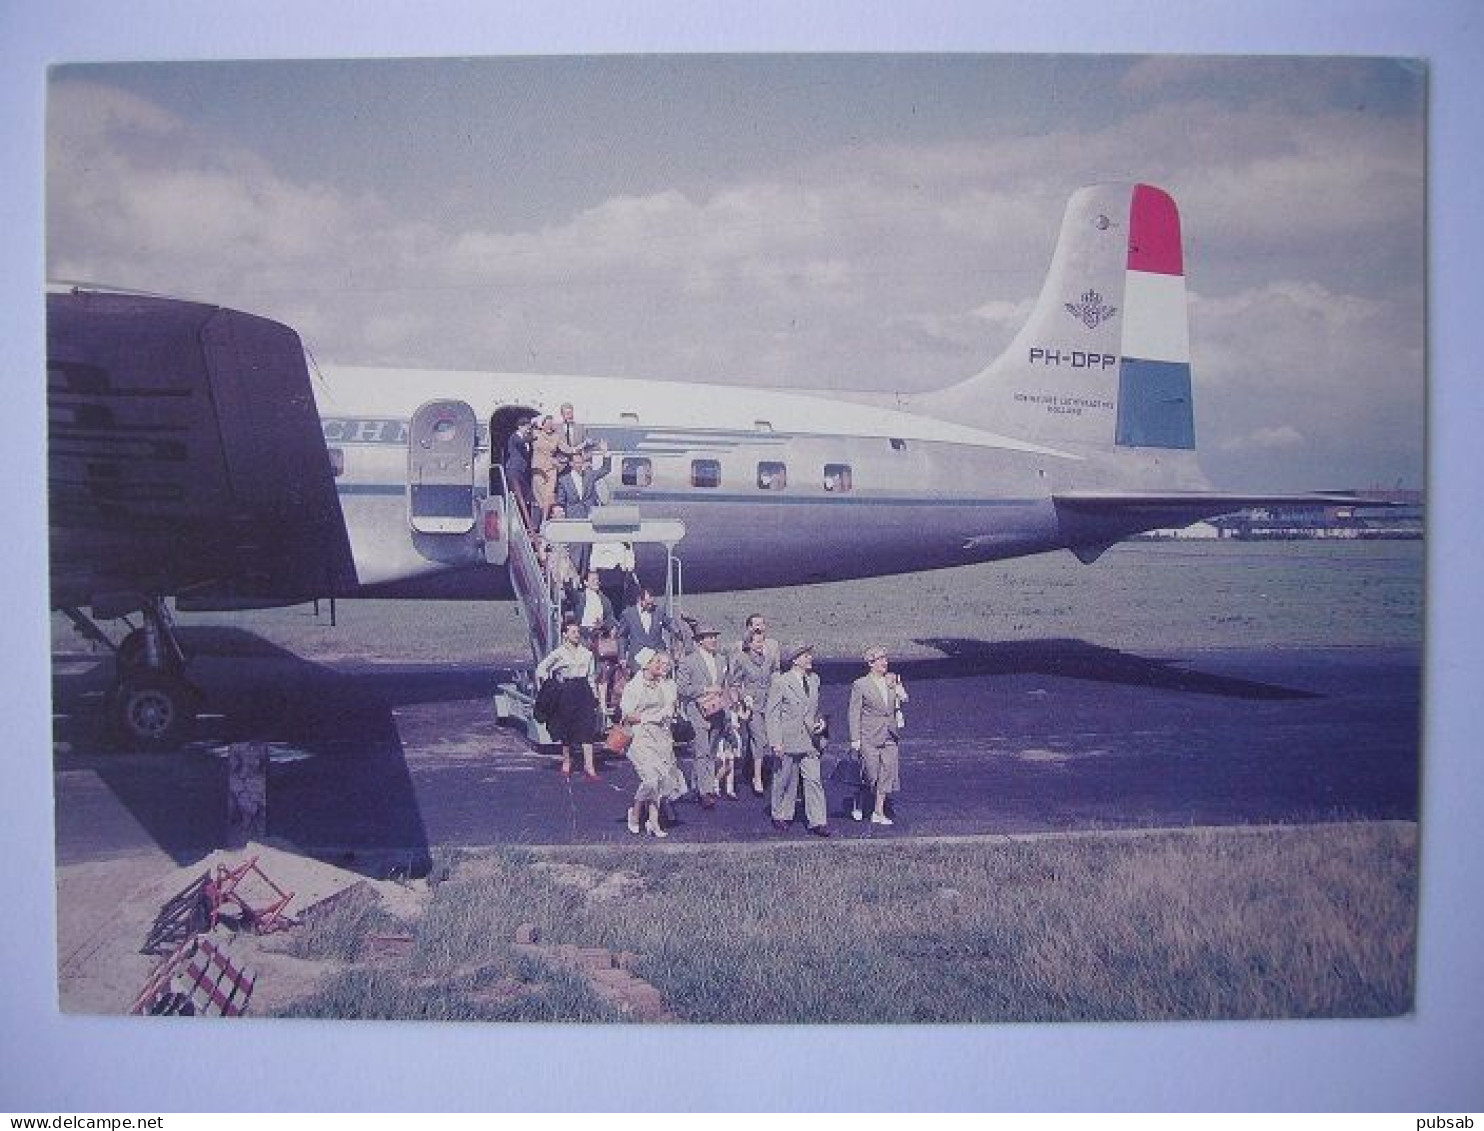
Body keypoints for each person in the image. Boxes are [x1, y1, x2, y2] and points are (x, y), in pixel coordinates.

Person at [618, 648, 688, 838]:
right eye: (656, 661)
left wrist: (665, 715)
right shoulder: (634, 686)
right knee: (650, 779)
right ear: (646, 665)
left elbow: (669, 707)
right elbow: (628, 715)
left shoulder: (661, 685)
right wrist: (651, 717)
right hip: (641, 738)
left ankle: (654, 822)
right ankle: (635, 812)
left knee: (660, 781)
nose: (661, 665)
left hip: (660, 737)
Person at [766, 642, 830, 836]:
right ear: (794, 660)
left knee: (814, 780)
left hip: (810, 741)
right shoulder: (781, 682)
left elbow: (815, 709)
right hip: (787, 739)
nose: (809, 658)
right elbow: (772, 714)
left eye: (809, 655)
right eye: (805, 655)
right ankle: (781, 815)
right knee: (785, 779)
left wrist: (821, 724)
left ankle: (818, 821)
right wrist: (776, 741)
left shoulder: (814, 680)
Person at [534, 616, 602, 780]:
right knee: (567, 728)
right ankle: (567, 761)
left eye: (578, 631)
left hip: (583, 691)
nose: (576, 634)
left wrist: (595, 696)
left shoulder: (587, 654)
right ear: (565, 634)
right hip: (566, 692)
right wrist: (552, 683)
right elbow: (541, 669)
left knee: (586, 728)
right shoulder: (558, 653)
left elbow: (591, 677)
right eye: (573, 632)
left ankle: (589, 766)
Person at [848, 644, 908, 826]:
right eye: (880, 659)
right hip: (869, 736)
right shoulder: (860, 685)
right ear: (870, 663)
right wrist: (855, 739)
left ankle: (878, 812)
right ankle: (859, 797)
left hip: (890, 734)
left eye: (885, 658)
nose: (884, 662)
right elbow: (854, 712)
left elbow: (904, 698)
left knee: (887, 773)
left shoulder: (891, 680)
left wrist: (899, 690)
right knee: (871, 774)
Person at [674, 622, 733, 809]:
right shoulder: (688, 661)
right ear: (699, 641)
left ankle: (696, 785)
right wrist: (706, 689)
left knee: (711, 750)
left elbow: (726, 685)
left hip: (717, 711)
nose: (714, 640)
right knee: (703, 750)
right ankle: (706, 792)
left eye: (715, 636)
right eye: (709, 637)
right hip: (698, 711)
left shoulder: (722, 660)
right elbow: (682, 688)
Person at [729, 626, 776, 796]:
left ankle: (764, 771)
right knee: (759, 738)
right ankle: (757, 777)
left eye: (762, 641)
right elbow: (734, 683)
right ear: (748, 643)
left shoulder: (768, 658)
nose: (760, 644)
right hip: (752, 705)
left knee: (768, 738)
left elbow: (773, 677)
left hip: (768, 702)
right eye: (757, 641)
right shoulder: (741, 659)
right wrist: (743, 698)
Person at [555, 443, 612, 576]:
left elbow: (606, 469)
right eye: (577, 463)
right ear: (571, 464)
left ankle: (584, 577)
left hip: (588, 516)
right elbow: (561, 501)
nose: (579, 465)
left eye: (581, 462)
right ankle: (574, 578)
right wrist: (559, 512)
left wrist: (606, 454)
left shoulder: (589, 475)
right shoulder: (564, 480)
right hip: (573, 517)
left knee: (587, 548)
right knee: (575, 548)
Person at [617, 587, 679, 671]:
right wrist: (622, 656)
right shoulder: (628, 614)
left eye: (652, 603)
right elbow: (622, 636)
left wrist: (679, 627)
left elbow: (671, 626)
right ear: (639, 600)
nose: (650, 606)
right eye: (648, 603)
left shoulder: (659, 611)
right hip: (638, 657)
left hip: (657, 656)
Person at [530, 414, 562, 525]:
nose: (549, 425)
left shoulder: (556, 436)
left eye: (551, 423)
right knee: (539, 498)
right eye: (547, 423)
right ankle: (537, 524)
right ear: (542, 425)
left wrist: (582, 446)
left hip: (551, 469)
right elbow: (528, 427)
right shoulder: (535, 434)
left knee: (548, 497)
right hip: (538, 470)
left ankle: (544, 522)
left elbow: (566, 449)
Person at [503, 415, 535, 522]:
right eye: (527, 427)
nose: (528, 429)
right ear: (520, 427)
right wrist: (534, 436)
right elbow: (520, 442)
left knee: (525, 495)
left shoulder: (525, 438)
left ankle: (524, 520)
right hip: (514, 470)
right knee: (517, 495)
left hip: (521, 470)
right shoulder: (515, 437)